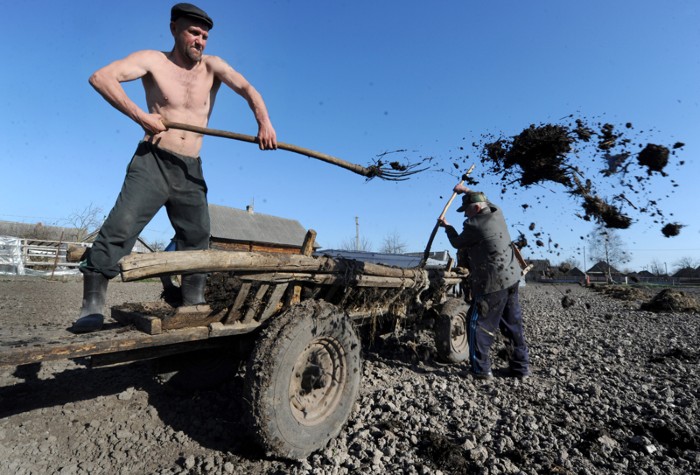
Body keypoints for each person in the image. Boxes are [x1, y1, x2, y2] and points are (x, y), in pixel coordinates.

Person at [72, 3, 277, 333]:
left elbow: (248, 89)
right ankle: (91, 307)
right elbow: (101, 77)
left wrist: (264, 122)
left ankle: (192, 303)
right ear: (174, 29)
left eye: (205, 36)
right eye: (194, 33)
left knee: (197, 237)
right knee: (120, 227)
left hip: (189, 170)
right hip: (152, 163)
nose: (200, 41)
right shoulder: (154, 61)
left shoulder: (213, 67)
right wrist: (141, 116)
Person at [438, 183, 530, 380]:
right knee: (512, 324)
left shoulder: (475, 225)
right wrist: (465, 190)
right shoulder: (497, 212)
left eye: (467, 211)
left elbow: (457, 242)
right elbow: (483, 198)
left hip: (492, 283)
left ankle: (480, 370)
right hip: (512, 279)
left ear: (477, 208)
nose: (465, 215)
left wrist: (448, 227)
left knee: (476, 323)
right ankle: (520, 368)